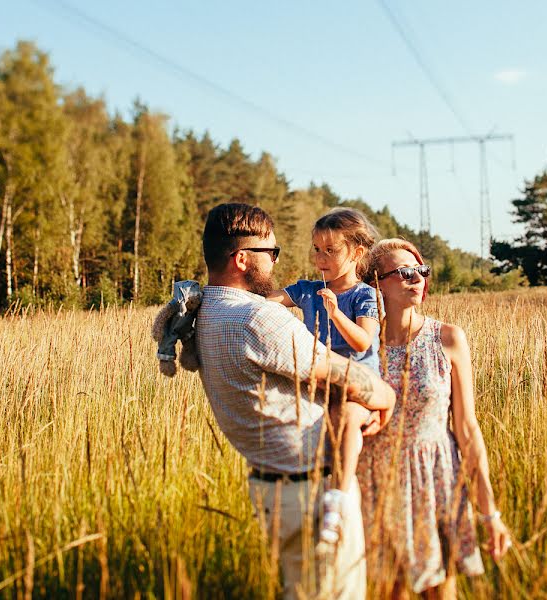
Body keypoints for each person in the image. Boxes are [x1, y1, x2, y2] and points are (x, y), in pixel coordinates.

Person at [194, 203, 396, 600]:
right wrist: (386, 394)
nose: (275, 262)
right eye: (272, 254)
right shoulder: (257, 319)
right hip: (309, 494)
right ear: (241, 259)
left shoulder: (206, 311)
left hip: (273, 487)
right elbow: (342, 373)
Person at [358, 238, 511, 599]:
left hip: (436, 479)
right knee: (386, 592)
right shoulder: (363, 342)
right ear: (376, 283)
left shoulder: (447, 338)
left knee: (440, 592)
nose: (417, 278)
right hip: (375, 482)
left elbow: (467, 428)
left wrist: (490, 514)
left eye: (421, 271)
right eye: (404, 272)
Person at [266, 208, 381, 546]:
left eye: (331, 250)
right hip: (318, 383)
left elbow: (363, 341)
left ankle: (337, 501)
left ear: (356, 253)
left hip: (358, 386)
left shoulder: (364, 295)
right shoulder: (307, 290)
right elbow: (266, 303)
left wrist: (334, 313)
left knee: (344, 416)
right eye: (317, 249)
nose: (321, 258)